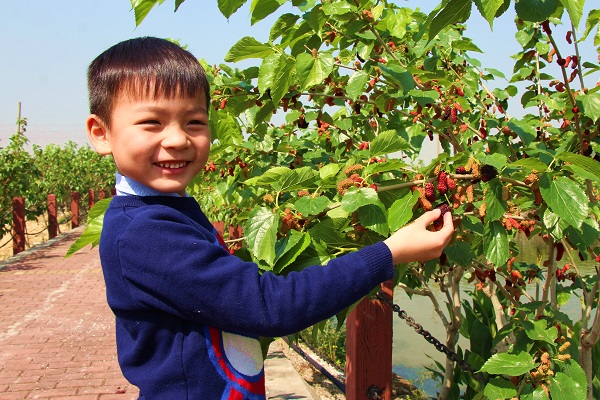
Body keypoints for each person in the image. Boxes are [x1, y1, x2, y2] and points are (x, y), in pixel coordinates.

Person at [86, 36, 454, 400]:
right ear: (101, 134)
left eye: (195, 121)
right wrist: (388, 253)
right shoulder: (144, 234)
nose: (179, 139)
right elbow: (270, 306)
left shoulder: (166, 209)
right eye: (152, 122)